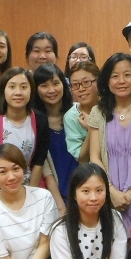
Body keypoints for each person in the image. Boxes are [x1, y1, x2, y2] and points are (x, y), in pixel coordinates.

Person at [87, 53, 131, 232]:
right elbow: (94, 157)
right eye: (115, 76)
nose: (121, 81)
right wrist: (111, 192)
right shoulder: (98, 112)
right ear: (106, 81)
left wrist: (130, 191)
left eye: (127, 75)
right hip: (108, 196)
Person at [0, 67, 50, 190]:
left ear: (31, 91)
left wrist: (30, 193)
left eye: (23, 87)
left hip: (32, 181)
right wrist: (6, 188)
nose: (18, 92)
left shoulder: (41, 120)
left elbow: (39, 160)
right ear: (3, 91)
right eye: (12, 87)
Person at [33, 63, 77, 211]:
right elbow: (45, 168)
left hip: (83, 191)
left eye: (56, 83)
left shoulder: (77, 114)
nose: (51, 90)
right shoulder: (36, 122)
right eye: (44, 85)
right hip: (53, 198)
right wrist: (60, 206)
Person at [64, 60, 100, 164]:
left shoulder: (110, 106)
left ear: (98, 82)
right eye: (75, 85)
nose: (81, 89)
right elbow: (81, 159)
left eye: (86, 83)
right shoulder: (71, 116)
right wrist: (91, 129)